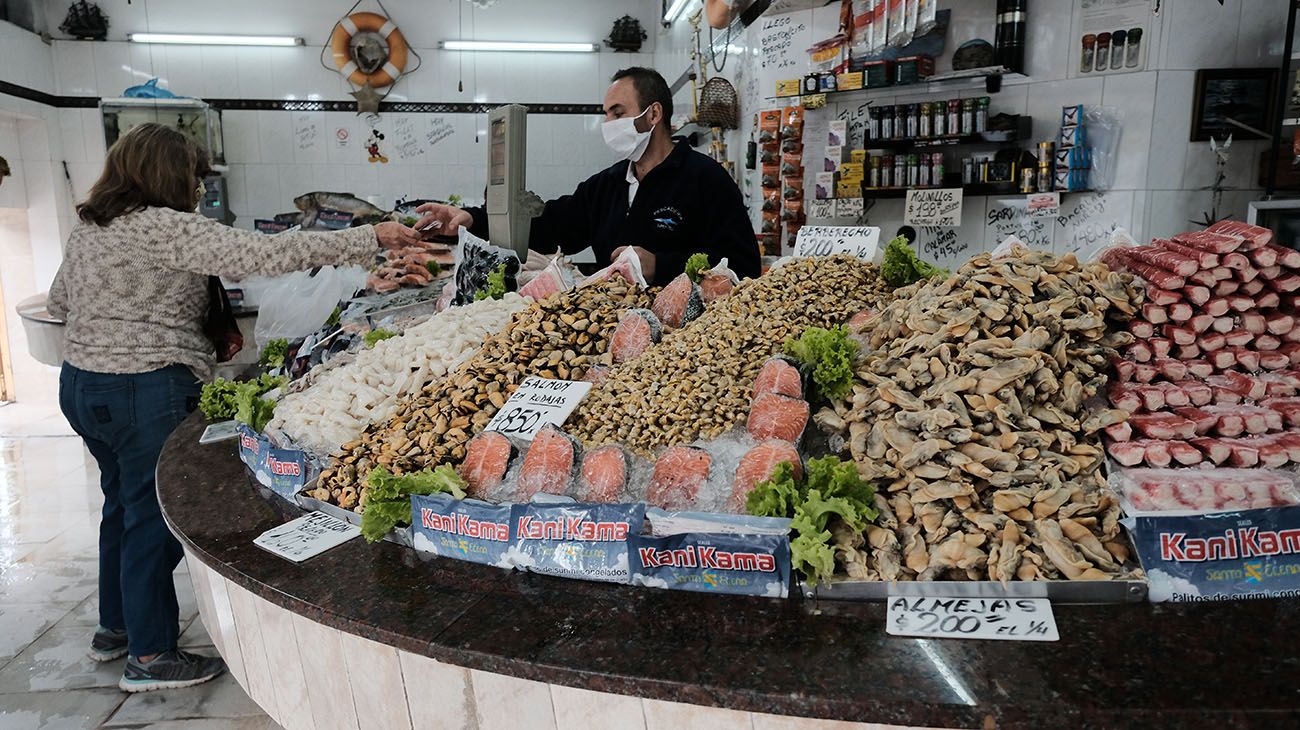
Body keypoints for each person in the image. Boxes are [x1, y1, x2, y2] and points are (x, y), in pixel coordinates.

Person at [46, 123, 422, 693]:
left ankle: (115, 628)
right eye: (195, 179)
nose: (199, 190)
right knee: (152, 518)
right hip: (143, 387)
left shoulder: (90, 229)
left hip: (81, 386)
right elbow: (264, 254)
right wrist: (370, 237)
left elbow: (58, 301)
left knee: (120, 506)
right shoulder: (166, 227)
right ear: (173, 177)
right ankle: (149, 657)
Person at [416, 67, 761, 286]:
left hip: (681, 344)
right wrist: (472, 220)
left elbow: (744, 265)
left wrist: (662, 265)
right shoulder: (606, 185)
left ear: (653, 113)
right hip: (611, 333)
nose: (608, 124)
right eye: (605, 115)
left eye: (618, 113)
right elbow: (549, 228)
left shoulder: (706, 179)